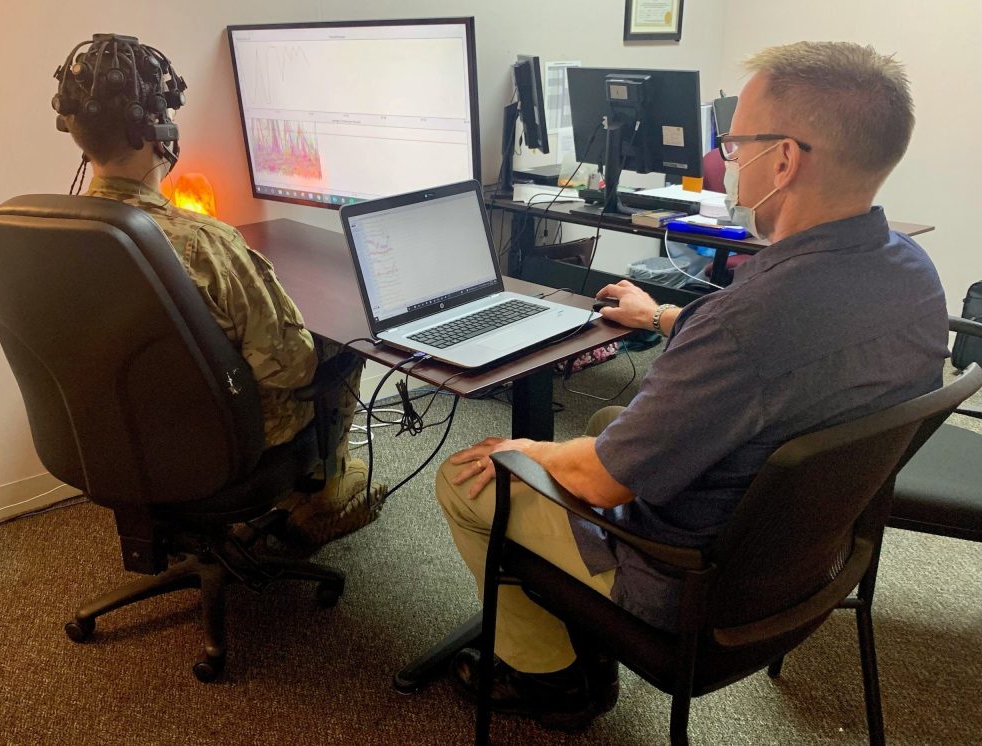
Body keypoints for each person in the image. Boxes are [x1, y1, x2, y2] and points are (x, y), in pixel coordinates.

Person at [436, 41, 950, 730]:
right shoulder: (913, 275)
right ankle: (570, 633)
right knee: (608, 418)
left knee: (469, 472)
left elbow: (598, 482)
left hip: (685, 586)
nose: (730, 161)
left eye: (736, 143)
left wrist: (527, 450)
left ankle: (552, 680)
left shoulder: (746, 327)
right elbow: (782, 351)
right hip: (806, 566)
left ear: (786, 160)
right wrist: (665, 317)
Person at [52, 34, 385, 549]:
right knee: (338, 346)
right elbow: (291, 367)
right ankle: (321, 496)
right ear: (158, 130)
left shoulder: (57, 229)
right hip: (228, 447)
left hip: (118, 442)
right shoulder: (206, 243)